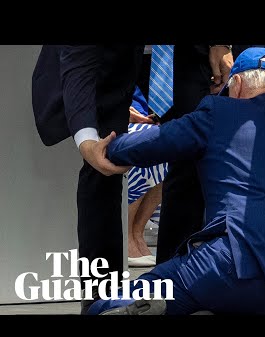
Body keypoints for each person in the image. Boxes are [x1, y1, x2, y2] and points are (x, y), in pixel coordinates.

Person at [86, 47, 265, 315]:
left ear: (236, 86)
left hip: (229, 263)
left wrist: (104, 148)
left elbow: (155, 142)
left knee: (108, 308)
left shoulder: (220, 110)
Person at [31, 45, 145, 314]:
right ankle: (101, 298)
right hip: (90, 73)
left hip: (130, 71)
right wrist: (88, 143)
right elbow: (79, 68)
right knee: (101, 170)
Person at [154, 45, 235, 264]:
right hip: (141, 61)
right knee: (186, 164)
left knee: (193, 161)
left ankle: (180, 270)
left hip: (194, 59)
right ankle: (174, 271)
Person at [127, 86, 166, 267]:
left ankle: (137, 231)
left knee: (170, 149)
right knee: (142, 142)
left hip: (140, 115)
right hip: (108, 118)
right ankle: (126, 235)